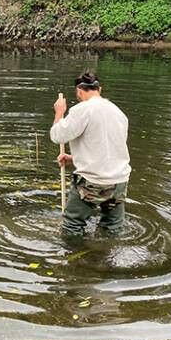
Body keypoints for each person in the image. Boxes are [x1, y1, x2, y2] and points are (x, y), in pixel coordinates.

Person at [50, 70, 131, 237]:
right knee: (112, 229)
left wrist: (59, 112)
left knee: (71, 227)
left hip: (92, 182)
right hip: (119, 182)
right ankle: (107, 256)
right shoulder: (118, 112)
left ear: (79, 91)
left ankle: (75, 260)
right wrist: (74, 158)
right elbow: (110, 149)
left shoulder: (82, 109)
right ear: (99, 89)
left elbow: (57, 136)